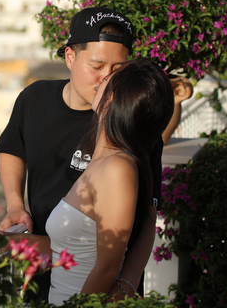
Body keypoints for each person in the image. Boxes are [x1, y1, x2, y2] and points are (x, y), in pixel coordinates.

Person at [0, 6, 186, 301]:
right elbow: (12, 148)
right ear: (70, 57)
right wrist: (15, 204)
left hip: (106, 287)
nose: (105, 79)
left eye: (118, 71)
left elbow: (147, 216)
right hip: (48, 268)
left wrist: (125, 286)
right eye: (97, 66)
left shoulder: (127, 125)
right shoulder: (35, 99)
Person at [46, 58, 173, 304]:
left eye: (108, 78)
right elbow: (81, 249)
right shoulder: (106, 162)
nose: (99, 79)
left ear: (113, 97)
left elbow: (107, 267)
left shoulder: (117, 168)